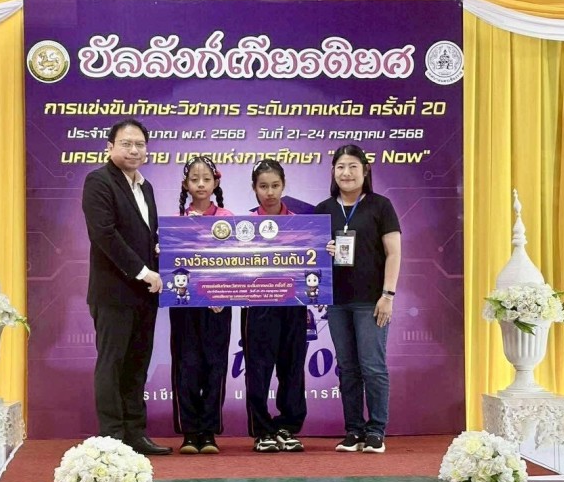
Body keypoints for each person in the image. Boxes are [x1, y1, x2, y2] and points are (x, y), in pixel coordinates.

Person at [81, 118, 171, 456]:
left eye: (139, 145)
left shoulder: (146, 187)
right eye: (126, 144)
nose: (134, 150)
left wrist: (159, 252)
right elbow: (104, 234)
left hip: (145, 293)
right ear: (110, 147)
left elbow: (144, 234)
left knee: (137, 365)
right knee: (112, 364)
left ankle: (135, 433)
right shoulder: (99, 181)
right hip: (114, 292)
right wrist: (142, 271)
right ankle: (112, 437)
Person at [314, 144, 401, 454]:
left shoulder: (381, 206)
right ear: (333, 172)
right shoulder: (323, 209)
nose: (346, 173)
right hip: (337, 301)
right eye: (340, 167)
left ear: (365, 170)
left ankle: (376, 431)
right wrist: (322, 251)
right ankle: (353, 430)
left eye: (353, 166)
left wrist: (388, 295)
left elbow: (394, 253)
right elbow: (311, 258)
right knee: (347, 368)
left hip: (371, 301)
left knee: (372, 367)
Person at [241, 160, 308, 453]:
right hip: (257, 306)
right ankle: (262, 430)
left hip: (294, 303)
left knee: (292, 367)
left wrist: (326, 250)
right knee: (258, 368)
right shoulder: (242, 226)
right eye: (263, 186)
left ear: (284, 186)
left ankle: (287, 427)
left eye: (275, 186)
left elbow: (313, 264)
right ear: (254, 188)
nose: (269, 192)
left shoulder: (301, 223)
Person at [171, 156, 234, 454]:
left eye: (206, 179)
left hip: (218, 305)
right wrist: (162, 248)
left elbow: (236, 262)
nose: (200, 184)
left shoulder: (228, 218)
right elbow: (170, 266)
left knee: (215, 364)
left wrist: (223, 294)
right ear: (185, 184)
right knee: (187, 365)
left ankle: (208, 432)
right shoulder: (176, 222)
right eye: (194, 179)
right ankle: (189, 432)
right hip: (184, 305)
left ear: (215, 182)